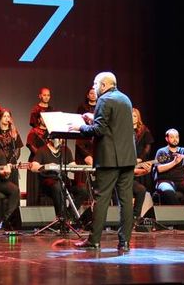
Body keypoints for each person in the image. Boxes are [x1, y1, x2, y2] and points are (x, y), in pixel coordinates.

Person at [73, 72, 136, 251]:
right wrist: (93, 118)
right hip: (127, 158)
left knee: (101, 199)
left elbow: (99, 130)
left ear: (103, 85)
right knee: (125, 201)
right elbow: (114, 124)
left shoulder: (104, 99)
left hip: (109, 159)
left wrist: (81, 127)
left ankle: (94, 241)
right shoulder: (125, 99)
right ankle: (124, 242)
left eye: (95, 84)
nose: (93, 87)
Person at [29, 138, 88, 219]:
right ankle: (61, 216)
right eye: (58, 138)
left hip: (63, 181)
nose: (61, 140)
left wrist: (81, 167)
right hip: (49, 182)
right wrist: (47, 166)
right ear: (50, 138)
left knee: (83, 189)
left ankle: (68, 216)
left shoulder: (65, 150)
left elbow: (73, 166)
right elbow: (34, 167)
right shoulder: (42, 150)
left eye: (61, 138)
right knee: (57, 186)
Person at [153, 129, 184, 205]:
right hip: (165, 181)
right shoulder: (161, 151)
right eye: (172, 137)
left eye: (177, 137)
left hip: (181, 181)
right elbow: (159, 169)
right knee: (169, 192)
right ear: (167, 139)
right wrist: (174, 162)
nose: (175, 139)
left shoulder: (183, 151)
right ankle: (179, 215)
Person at [0, 109, 23, 186]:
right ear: (0, 118)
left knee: (13, 186)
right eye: (4, 116)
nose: (6, 118)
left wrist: (13, 160)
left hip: (12, 164)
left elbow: (18, 147)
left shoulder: (14, 132)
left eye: (8, 116)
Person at [133, 108, 155, 191]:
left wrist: (140, 158)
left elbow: (147, 147)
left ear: (138, 117)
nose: (133, 118)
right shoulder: (125, 130)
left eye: (135, 116)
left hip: (141, 159)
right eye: (131, 116)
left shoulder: (144, 130)